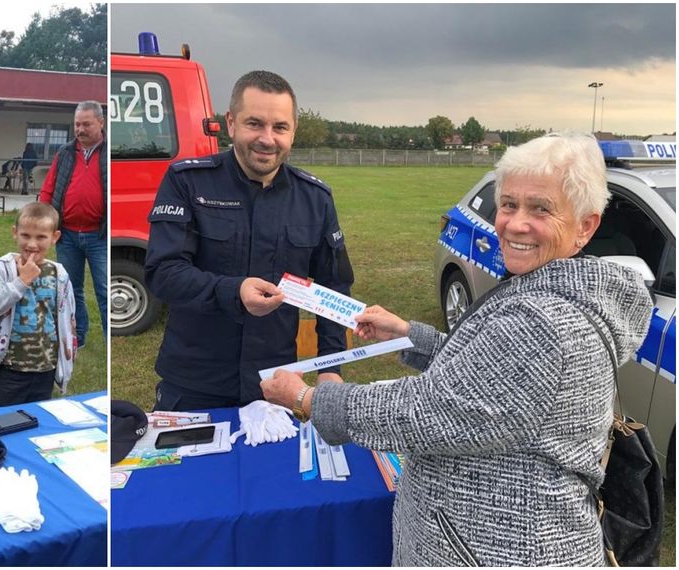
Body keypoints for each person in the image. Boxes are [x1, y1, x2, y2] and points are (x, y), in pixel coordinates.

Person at [260, 133, 653, 566]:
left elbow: (431, 410)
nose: (516, 223)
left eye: (541, 208)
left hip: (497, 552)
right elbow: (495, 384)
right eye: (508, 204)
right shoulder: (553, 292)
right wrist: (409, 335)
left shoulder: (545, 323)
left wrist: (308, 398)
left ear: (585, 225)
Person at [144, 70, 354, 411]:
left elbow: (334, 286)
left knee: (274, 466)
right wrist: (233, 291)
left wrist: (330, 366)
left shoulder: (315, 198)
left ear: (293, 130)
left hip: (275, 383)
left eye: (280, 127)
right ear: (231, 123)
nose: (267, 139)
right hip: (195, 382)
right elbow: (163, 272)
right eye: (254, 123)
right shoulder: (188, 182)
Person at [0, 202, 77, 407]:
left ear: (55, 238)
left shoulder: (59, 274)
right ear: (15, 233)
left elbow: (67, 317)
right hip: (11, 366)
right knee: (2, 421)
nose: (32, 244)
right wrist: (21, 281)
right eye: (26, 235)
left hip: (46, 367)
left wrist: (67, 352)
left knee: (36, 421)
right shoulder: (3, 268)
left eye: (41, 237)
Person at [39, 101, 108, 349]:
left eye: (86, 124)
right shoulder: (65, 153)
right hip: (67, 234)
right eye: (77, 124)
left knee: (104, 291)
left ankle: (109, 339)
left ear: (101, 122)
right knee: (71, 289)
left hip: (100, 236)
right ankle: (77, 336)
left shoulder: (110, 152)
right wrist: (43, 221)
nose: (80, 129)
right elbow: (48, 188)